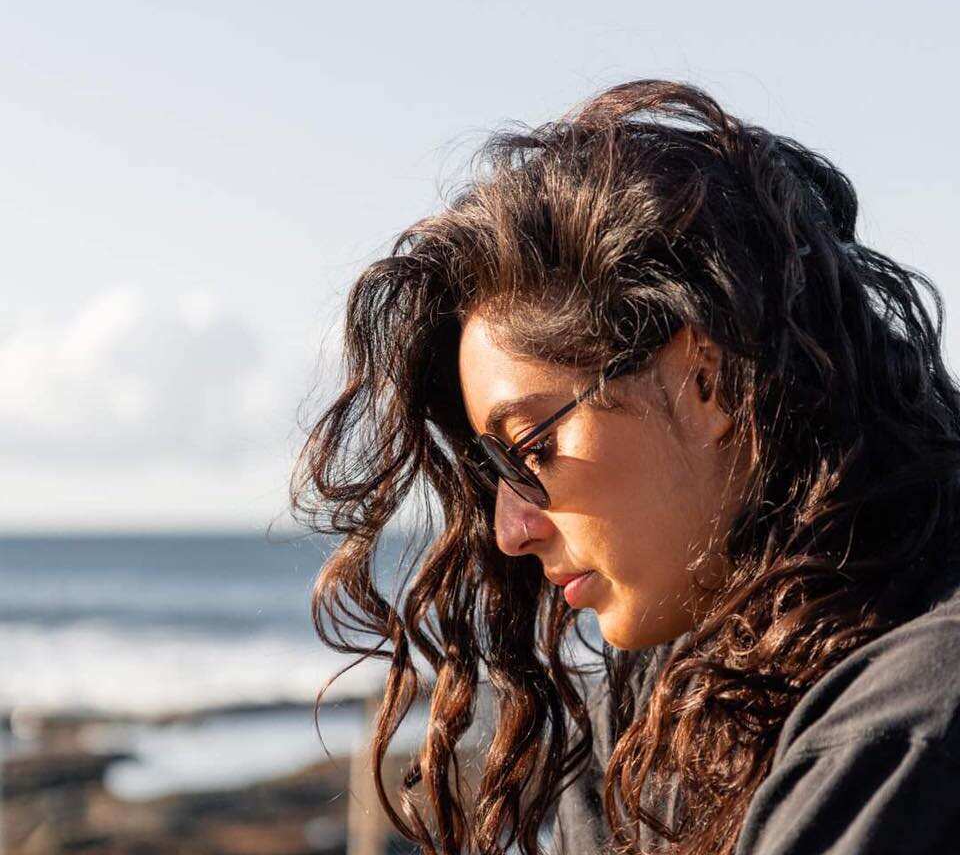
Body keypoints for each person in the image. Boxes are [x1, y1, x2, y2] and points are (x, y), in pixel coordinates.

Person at [290, 79, 960, 854]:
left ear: (706, 380)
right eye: (491, 470)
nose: (511, 529)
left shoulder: (913, 725)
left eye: (533, 446)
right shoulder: (658, 705)